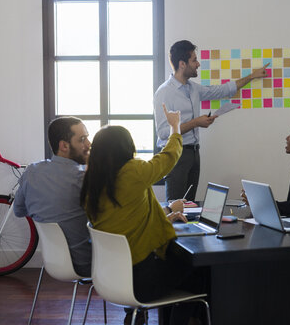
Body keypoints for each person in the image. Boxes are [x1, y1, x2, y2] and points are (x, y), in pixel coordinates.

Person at [81, 104, 206, 325]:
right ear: (126, 148)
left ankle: (140, 316)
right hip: (141, 281)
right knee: (201, 268)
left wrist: (165, 217)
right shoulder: (132, 171)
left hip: (110, 278)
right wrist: (175, 126)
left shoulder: (93, 182)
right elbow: (168, 158)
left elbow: (124, 222)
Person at [154, 40, 269, 202]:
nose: (198, 64)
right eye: (194, 60)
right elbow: (163, 133)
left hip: (194, 153)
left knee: (189, 205)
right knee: (175, 206)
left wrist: (252, 76)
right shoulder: (164, 92)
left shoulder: (193, 88)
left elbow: (221, 90)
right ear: (182, 64)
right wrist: (196, 122)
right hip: (175, 155)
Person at [14, 116, 92, 277]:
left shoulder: (32, 172)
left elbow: (19, 211)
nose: (89, 144)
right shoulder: (82, 177)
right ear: (64, 145)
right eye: (82, 139)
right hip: (87, 263)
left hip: (53, 262)